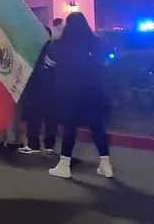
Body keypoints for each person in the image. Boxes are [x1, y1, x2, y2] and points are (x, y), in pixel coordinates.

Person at [47, 12, 114, 179]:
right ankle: (105, 163)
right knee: (96, 126)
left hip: (69, 91)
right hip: (93, 90)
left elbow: (50, 62)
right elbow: (108, 59)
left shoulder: (61, 44)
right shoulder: (96, 42)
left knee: (70, 127)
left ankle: (64, 164)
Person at [19, 27, 59, 155]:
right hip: (52, 88)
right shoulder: (55, 48)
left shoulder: (34, 50)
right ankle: (49, 145)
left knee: (34, 117)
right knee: (50, 117)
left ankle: (33, 145)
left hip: (35, 87)